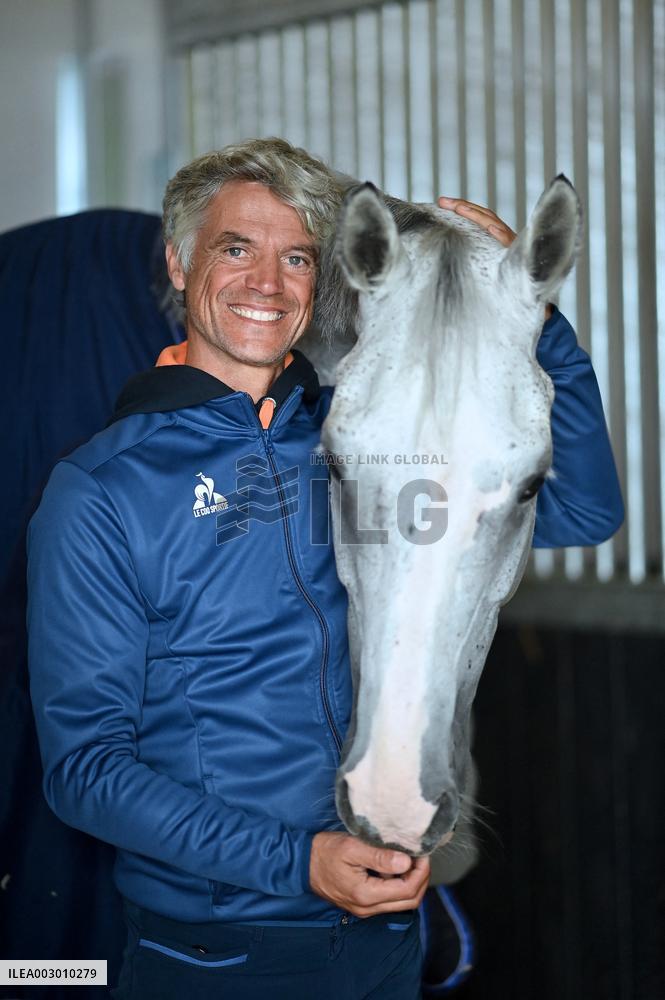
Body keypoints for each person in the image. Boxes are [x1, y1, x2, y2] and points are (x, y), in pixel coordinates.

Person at [27, 138, 623, 1000]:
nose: (266, 282)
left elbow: (579, 510)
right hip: (220, 954)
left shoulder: (357, 445)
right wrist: (299, 863)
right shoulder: (104, 491)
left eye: (295, 256)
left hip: (383, 934)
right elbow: (84, 770)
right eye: (236, 249)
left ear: (324, 278)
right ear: (180, 260)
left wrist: (528, 313)